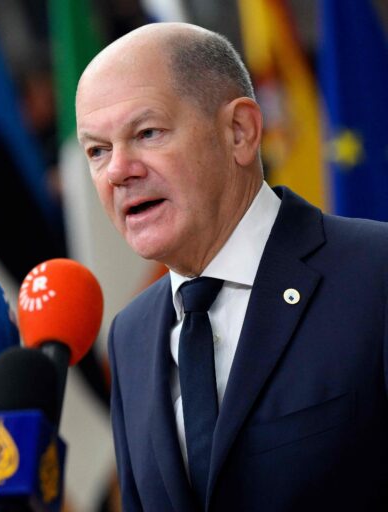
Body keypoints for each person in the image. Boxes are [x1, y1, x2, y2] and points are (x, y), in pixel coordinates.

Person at [76, 22, 388, 511]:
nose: (117, 171)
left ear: (239, 132)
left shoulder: (375, 274)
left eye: (147, 133)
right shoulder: (129, 335)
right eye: (98, 150)